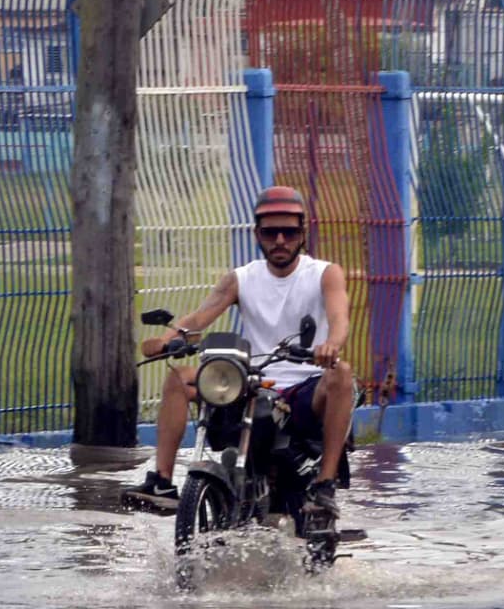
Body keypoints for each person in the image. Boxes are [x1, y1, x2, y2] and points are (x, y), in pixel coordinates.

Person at [130, 184, 355, 534]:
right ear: (257, 234)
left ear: (302, 233)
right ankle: (162, 480)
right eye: (270, 232)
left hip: (306, 387)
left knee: (342, 373)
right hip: (253, 382)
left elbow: (339, 317)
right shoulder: (242, 278)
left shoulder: (325, 273)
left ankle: (324, 485)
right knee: (180, 378)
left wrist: (331, 345)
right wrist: (166, 340)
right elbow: (198, 319)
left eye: (289, 232)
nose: (279, 240)